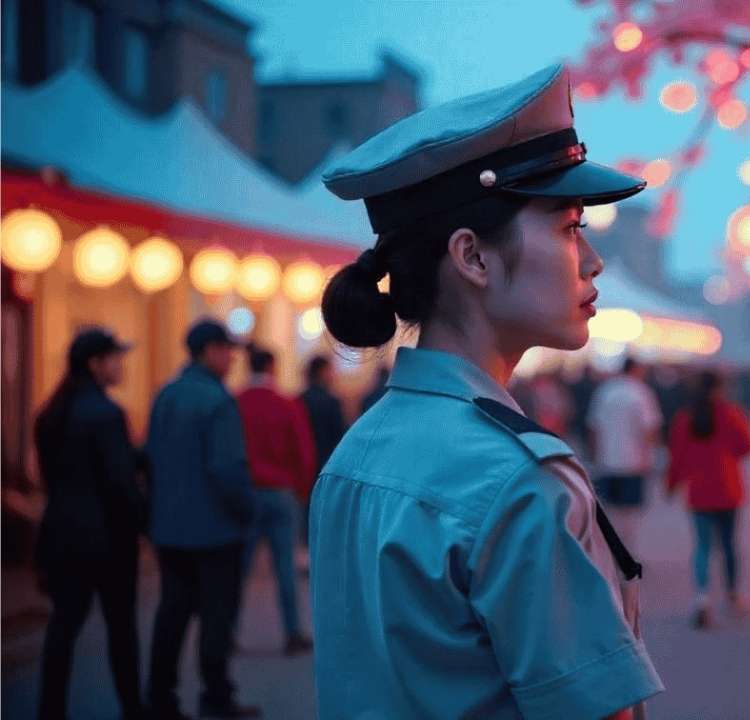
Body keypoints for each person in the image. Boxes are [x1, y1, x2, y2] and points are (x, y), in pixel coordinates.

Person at [308, 64, 663, 719]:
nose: (592, 259)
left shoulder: (353, 455)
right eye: (568, 226)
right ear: (472, 257)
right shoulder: (520, 482)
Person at [146, 319, 259, 719]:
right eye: (227, 349)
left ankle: (160, 698)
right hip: (215, 529)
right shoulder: (217, 401)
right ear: (209, 350)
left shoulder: (165, 395)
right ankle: (216, 696)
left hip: (170, 528)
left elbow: (150, 460)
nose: (231, 358)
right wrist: (248, 511)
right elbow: (227, 469)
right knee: (216, 616)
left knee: (171, 614)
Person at [34, 328, 146, 720]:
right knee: (121, 628)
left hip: (61, 532)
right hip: (109, 538)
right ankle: (132, 707)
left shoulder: (51, 412)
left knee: (63, 626)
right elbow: (120, 484)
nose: (121, 365)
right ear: (95, 364)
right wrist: (145, 522)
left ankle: (50, 709)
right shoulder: (106, 414)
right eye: (115, 358)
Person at [236, 344, 316, 655]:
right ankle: (292, 633)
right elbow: (303, 451)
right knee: (284, 567)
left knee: (240, 568)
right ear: (271, 367)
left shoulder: (236, 402)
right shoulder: (286, 404)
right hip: (282, 492)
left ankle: (227, 632)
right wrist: (301, 489)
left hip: (247, 492)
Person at [666, 371, 750, 628]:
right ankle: (732, 594)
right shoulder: (730, 414)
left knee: (702, 547)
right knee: (728, 545)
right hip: (728, 490)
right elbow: (749, 445)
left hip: (699, 492)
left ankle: (702, 599)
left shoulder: (686, 417)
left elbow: (677, 456)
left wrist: (671, 484)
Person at [588, 357, 663, 546]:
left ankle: (611, 551)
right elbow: (649, 429)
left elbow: (593, 427)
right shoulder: (641, 392)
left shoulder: (605, 391)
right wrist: (651, 455)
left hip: (607, 459)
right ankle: (627, 553)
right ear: (636, 369)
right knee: (629, 513)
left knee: (610, 510)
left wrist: (595, 454)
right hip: (633, 461)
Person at [297, 355, 348, 549]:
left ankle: (304, 549)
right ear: (321, 372)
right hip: (326, 462)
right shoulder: (331, 402)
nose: (333, 375)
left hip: (304, 463)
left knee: (305, 511)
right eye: (330, 370)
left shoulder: (300, 399)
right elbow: (340, 436)